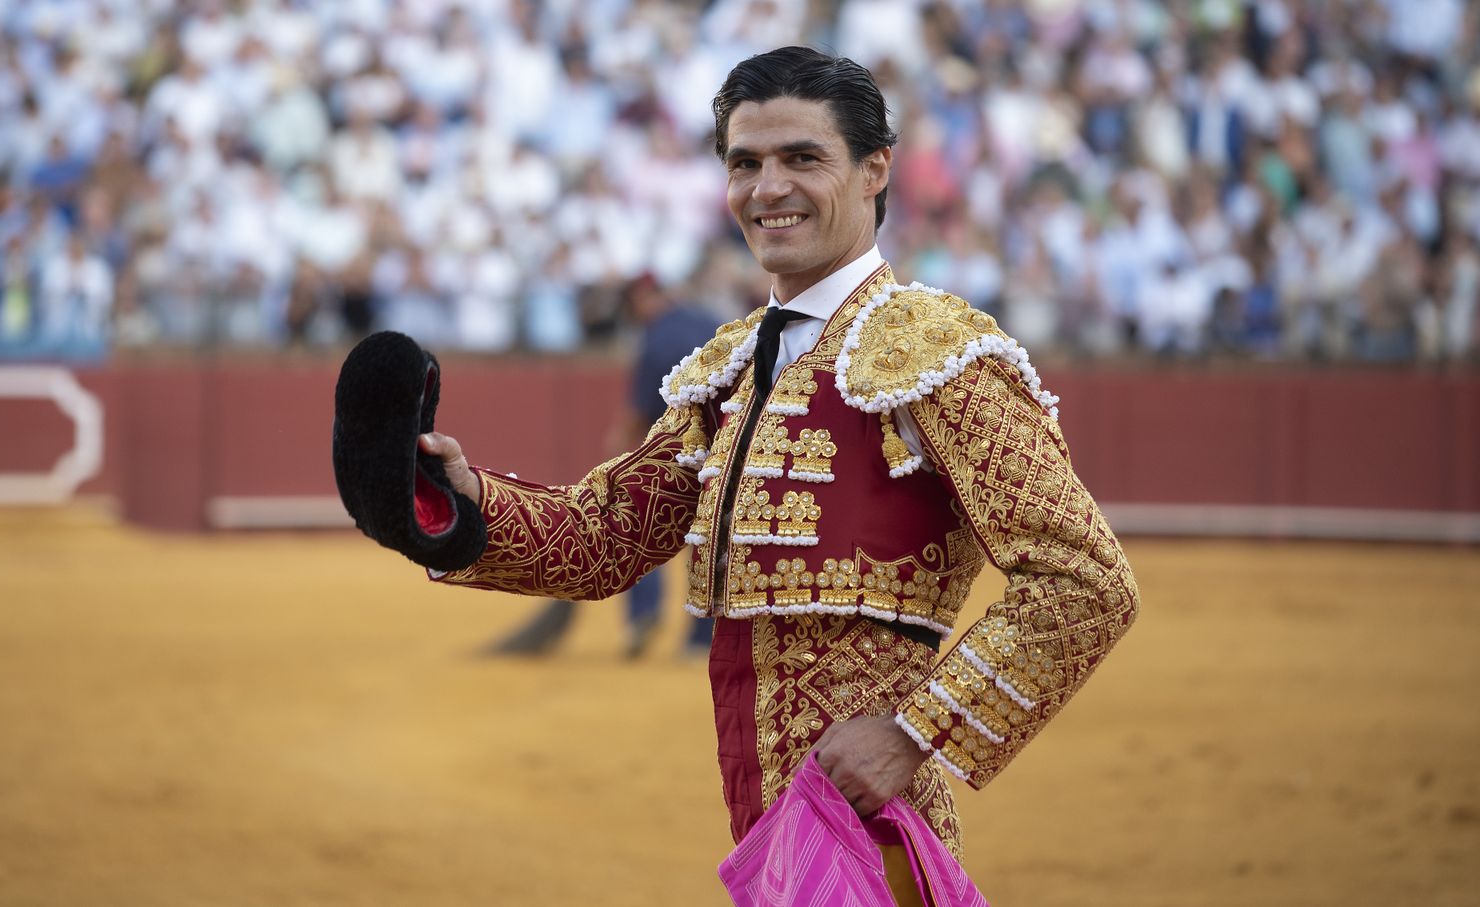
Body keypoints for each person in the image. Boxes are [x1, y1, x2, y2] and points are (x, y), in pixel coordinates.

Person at [389, 46, 1139, 871]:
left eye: (802, 158)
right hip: (763, 817)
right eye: (744, 163)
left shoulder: (937, 354)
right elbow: (605, 537)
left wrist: (913, 731)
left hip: (871, 824)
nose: (767, 188)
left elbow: (1087, 578)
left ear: (875, 170)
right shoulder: (730, 369)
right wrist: (455, 500)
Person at [487, 274, 722, 658]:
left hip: (676, 455)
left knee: (642, 523)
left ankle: (643, 613)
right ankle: (699, 638)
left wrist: (617, 453)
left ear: (641, 299)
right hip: (727, 450)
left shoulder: (656, 340)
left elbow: (639, 412)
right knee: (709, 541)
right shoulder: (709, 322)